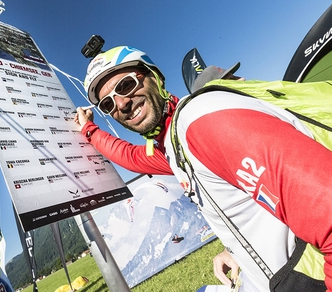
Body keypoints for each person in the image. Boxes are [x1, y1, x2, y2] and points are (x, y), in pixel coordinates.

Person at [74, 45, 332, 292]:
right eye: (107, 104)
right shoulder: (175, 145)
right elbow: (131, 156)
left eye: (125, 85)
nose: (121, 104)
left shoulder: (199, 122)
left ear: (155, 77)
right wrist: (89, 131)